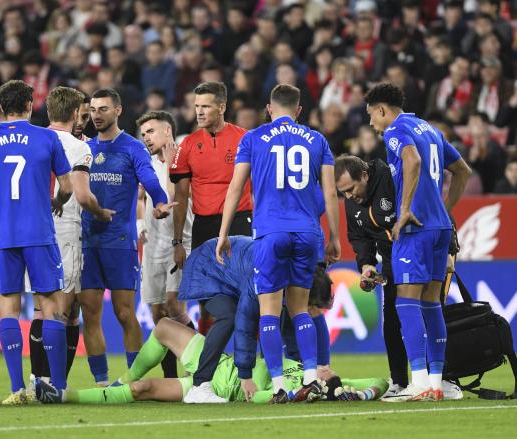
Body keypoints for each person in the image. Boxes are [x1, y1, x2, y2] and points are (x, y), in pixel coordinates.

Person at [217, 84, 341, 404]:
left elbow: (236, 189)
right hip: (306, 232)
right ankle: (311, 378)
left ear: (269, 109)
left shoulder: (253, 138)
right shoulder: (318, 140)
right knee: (300, 309)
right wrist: (336, 237)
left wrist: (223, 234)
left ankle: (280, 386)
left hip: (270, 233)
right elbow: (330, 193)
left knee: (269, 311)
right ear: (299, 111)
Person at [364, 83, 472, 401]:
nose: (372, 123)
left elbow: (411, 162)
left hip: (415, 229)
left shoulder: (395, 131)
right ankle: (437, 383)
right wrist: (443, 210)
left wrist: (407, 209)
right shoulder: (429, 128)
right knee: (431, 304)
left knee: (406, 303)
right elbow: (462, 171)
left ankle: (420, 382)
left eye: (372, 115)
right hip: (439, 228)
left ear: (382, 110)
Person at [0, 80, 74, 405]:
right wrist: (56, 201)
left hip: (3, 236)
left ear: (1, 107)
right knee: (52, 308)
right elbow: (68, 186)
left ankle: (17, 390)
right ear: (31, 105)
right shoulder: (48, 137)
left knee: (9, 310)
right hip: (40, 234)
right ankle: (56, 388)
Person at [36, 318, 389, 404]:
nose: (325, 369)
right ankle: (118, 380)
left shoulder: (305, 389)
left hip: (219, 387)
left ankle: (64, 396)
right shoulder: (312, 373)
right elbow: (380, 379)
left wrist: (316, 393)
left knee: (143, 389)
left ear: (327, 383)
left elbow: (262, 397)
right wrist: (366, 394)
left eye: (328, 373)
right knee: (163, 327)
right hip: (219, 363)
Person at [80, 88, 173, 386]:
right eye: (93, 109)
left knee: (124, 313)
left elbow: (148, 177)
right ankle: (102, 383)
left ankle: (133, 379)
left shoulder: (132, 147)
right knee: (90, 314)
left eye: (103, 109)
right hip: (87, 242)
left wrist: (159, 201)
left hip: (119, 243)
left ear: (118, 111)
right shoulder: (84, 148)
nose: (96, 114)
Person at [27, 87, 114, 394]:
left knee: (45, 309)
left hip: (33, 231)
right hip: (64, 232)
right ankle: (52, 382)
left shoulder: (33, 139)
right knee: (63, 311)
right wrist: (101, 212)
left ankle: (38, 378)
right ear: (77, 113)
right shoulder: (79, 148)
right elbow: (81, 194)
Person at [169, 81, 251, 402]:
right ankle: (203, 381)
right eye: (196, 105)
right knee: (219, 310)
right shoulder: (188, 145)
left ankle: (250, 373)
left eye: (206, 106)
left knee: (250, 306)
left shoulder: (245, 139)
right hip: (204, 233)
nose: (199, 111)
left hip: (242, 229)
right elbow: (181, 195)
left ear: (221, 107)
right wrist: (179, 241)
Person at [334, 155, 406, 396]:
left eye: (351, 189)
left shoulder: (392, 178)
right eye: (342, 192)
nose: (348, 196)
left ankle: (442, 378)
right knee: (392, 321)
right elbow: (359, 237)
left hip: (417, 255)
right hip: (389, 262)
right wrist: (366, 265)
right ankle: (400, 383)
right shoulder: (352, 202)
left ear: (364, 175)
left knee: (423, 315)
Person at [136, 110, 195, 378]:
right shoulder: (146, 164)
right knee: (158, 312)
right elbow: (140, 196)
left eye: (150, 131)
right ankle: (170, 378)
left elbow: (173, 200)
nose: (146, 137)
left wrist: (172, 164)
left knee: (174, 306)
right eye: (143, 133)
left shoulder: (185, 160)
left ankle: (200, 369)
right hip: (153, 245)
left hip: (179, 242)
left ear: (167, 131)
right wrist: (140, 223)